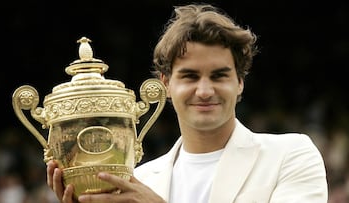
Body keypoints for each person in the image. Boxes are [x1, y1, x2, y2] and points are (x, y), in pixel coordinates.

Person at [46, 3, 328, 203]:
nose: (204, 91)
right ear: (166, 84)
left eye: (219, 76)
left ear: (240, 82)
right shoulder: (139, 179)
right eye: (190, 76)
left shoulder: (290, 156)